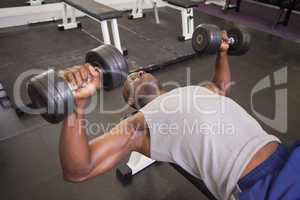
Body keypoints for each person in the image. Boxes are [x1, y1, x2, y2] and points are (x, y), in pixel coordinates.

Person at [59, 32, 299, 200]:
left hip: (289, 155)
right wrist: (77, 105)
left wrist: (222, 52)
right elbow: (79, 170)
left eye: (139, 72)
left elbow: (221, 87)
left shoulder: (192, 91)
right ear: (131, 102)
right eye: (131, 78)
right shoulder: (139, 126)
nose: (138, 73)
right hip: (260, 187)